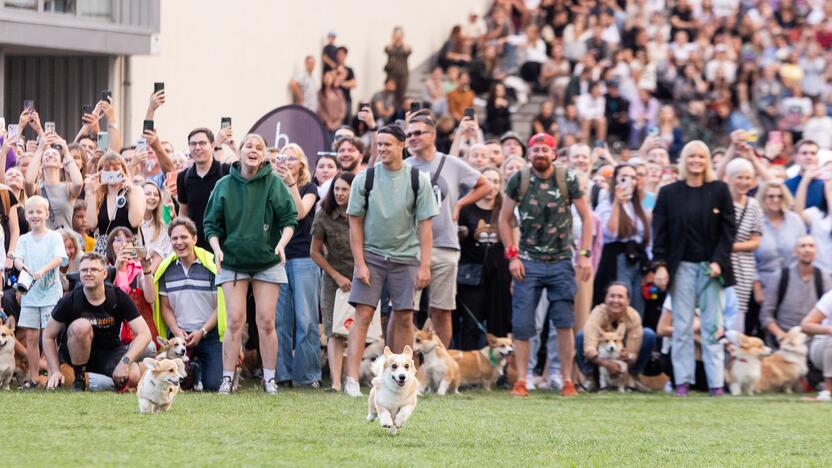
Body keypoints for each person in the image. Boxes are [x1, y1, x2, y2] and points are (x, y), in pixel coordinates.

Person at [343, 125, 438, 397]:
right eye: (378, 144)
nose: (382, 149)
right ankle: (351, 379)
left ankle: (403, 378)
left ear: (402, 145)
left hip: (406, 257)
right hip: (372, 255)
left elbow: (426, 226)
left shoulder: (418, 179)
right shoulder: (366, 179)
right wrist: (360, 262)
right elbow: (355, 223)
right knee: (362, 314)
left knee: (405, 315)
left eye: (387, 144)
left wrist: (425, 265)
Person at [498, 133, 593, 397]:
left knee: (564, 322)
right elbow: (504, 219)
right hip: (528, 262)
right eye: (535, 150)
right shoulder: (520, 179)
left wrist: (584, 254)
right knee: (522, 324)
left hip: (562, 260)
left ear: (553, 154)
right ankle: (522, 379)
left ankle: (566, 380)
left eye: (545, 150)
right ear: (529, 154)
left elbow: (586, 217)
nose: (540, 154)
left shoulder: (567, 178)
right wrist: (512, 256)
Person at [203, 133, 298, 395]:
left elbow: (290, 219)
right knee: (234, 321)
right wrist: (217, 249)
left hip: (267, 261)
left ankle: (269, 379)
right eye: (249, 146)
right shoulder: (224, 184)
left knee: (266, 321)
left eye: (259, 147)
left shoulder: (274, 183)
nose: (253, 150)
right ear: (240, 151)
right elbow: (211, 224)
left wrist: (281, 244)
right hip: (232, 261)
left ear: (264, 154)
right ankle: (227, 378)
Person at [652, 141, 736, 397]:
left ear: (708, 160)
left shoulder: (720, 190)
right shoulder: (669, 193)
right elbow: (660, 234)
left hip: (711, 269)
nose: (696, 161)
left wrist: (718, 261)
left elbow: (728, 230)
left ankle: (716, 383)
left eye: (701, 156)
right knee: (682, 327)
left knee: (712, 328)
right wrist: (660, 265)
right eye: (692, 156)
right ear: (684, 160)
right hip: (681, 268)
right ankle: (682, 382)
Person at [406, 115, 492, 346]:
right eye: (409, 134)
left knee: (442, 310)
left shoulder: (451, 164)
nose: (412, 138)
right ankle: (409, 369)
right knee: (406, 311)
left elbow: (486, 185)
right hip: (411, 247)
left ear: (432, 135)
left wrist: (460, 203)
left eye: (417, 133)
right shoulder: (404, 166)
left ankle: (441, 368)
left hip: (445, 245)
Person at [43, 253, 151, 391]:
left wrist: (125, 362)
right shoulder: (70, 299)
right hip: (75, 358)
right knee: (81, 326)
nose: (88, 273)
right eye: (84, 270)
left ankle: (101, 382)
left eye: (94, 270)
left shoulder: (117, 297)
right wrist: (55, 370)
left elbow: (145, 333)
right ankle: (79, 379)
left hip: (108, 352)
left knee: (134, 376)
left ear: (105, 273)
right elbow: (48, 335)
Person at [152, 217, 226, 392]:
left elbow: (219, 307)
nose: (179, 242)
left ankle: (198, 367)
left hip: (208, 335)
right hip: (179, 336)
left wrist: (202, 331)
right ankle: (191, 370)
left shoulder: (210, 267)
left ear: (194, 239)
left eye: (184, 237)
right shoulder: (165, 269)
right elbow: (165, 307)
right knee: (171, 385)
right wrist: (176, 331)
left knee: (214, 386)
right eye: (174, 238)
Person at [273, 144, 321, 388]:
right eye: (283, 158)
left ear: (301, 163)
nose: (288, 162)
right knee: (279, 321)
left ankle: (308, 376)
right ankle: (281, 374)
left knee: (306, 320)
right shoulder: (272, 186)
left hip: (303, 257)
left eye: (292, 158)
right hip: (277, 258)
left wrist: (291, 183)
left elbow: (301, 212)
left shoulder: (310, 187)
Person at [13, 195, 68, 388]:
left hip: (50, 295)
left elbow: (59, 259)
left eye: (39, 211)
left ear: (46, 214)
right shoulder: (23, 239)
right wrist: (24, 268)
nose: (35, 215)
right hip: (30, 296)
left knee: (49, 335)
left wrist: (43, 270)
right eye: (31, 212)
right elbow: (17, 259)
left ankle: (54, 374)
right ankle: (34, 377)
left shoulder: (54, 237)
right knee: (31, 336)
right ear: (26, 215)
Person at [454, 166, 511, 349]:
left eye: (496, 181)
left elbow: (513, 245)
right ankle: (468, 370)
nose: (492, 185)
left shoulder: (505, 209)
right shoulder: (466, 208)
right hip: (471, 274)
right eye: (487, 180)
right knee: (470, 324)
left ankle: (496, 373)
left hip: (499, 274)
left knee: (498, 325)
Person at [310, 173, 355, 391]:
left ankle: (352, 379)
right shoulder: (324, 215)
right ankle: (336, 382)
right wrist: (336, 276)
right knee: (334, 331)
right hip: (332, 280)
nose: (340, 193)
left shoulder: (363, 214)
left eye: (345, 189)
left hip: (360, 279)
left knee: (358, 330)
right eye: (336, 189)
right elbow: (315, 252)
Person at [593, 164, 651, 315]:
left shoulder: (637, 207)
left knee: (637, 307)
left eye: (633, 177)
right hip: (617, 259)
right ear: (616, 180)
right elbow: (611, 232)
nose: (630, 181)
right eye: (624, 177)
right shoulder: (606, 204)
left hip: (638, 261)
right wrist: (618, 204)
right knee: (620, 304)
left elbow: (646, 238)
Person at [576, 282, 657, 389]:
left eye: (620, 297)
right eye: (612, 296)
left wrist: (627, 356)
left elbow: (633, 352)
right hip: (601, 357)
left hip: (622, 357)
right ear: (605, 299)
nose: (615, 300)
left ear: (628, 301)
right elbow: (589, 348)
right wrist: (606, 364)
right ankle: (590, 377)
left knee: (648, 334)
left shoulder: (633, 316)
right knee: (581, 335)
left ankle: (633, 376)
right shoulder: (597, 313)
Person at [761, 236, 831, 345]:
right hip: (784, 340)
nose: (807, 249)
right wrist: (781, 335)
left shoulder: (824, 278)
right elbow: (766, 315)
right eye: (802, 246)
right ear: (795, 252)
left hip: (814, 342)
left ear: (816, 252)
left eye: (811, 246)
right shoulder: (780, 276)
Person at [176, 127, 232, 250]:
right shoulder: (183, 177)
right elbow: (183, 212)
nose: (197, 147)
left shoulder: (227, 172)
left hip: (225, 247)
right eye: (193, 144)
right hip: (196, 248)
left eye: (202, 143)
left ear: (212, 146)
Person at [725, 158, 763, 332]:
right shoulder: (721, 201)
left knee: (738, 313)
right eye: (739, 177)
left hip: (743, 267)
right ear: (730, 178)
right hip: (721, 264)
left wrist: (730, 247)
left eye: (748, 178)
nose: (744, 182)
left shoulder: (753, 205)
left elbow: (756, 241)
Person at [24, 133, 83, 231]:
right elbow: (29, 181)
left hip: (64, 241)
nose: (50, 155)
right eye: (47, 155)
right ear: (41, 164)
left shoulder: (68, 188)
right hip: (42, 241)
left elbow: (78, 183)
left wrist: (66, 152)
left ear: (61, 164)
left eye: (54, 154)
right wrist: (40, 150)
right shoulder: (37, 189)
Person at [85, 152, 146, 238]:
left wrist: (130, 191)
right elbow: (91, 224)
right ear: (100, 173)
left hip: (128, 244)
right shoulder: (97, 195)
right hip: (104, 247)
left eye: (116, 169)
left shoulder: (136, 191)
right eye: (107, 170)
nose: (112, 172)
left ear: (123, 170)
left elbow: (135, 222)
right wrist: (92, 193)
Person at [794, 165, 832, 274]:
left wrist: (829, 194)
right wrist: (805, 180)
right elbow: (797, 214)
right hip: (819, 272)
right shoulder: (815, 213)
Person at [801, 290, 832, 401]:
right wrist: (829, 329)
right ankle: (827, 391)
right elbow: (805, 325)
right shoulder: (830, 296)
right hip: (823, 346)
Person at [139, 182, 171, 272]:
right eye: (148, 194)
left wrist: (147, 277)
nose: (152, 197)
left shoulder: (161, 225)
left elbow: (160, 255)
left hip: (153, 275)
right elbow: (131, 252)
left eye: (156, 195)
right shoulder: (132, 222)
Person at [785, 140, 824, 209]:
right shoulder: (787, 185)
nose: (808, 157)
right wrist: (806, 179)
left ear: (818, 158)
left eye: (813, 153)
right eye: (804, 153)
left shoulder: (826, 183)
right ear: (795, 158)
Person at [384, 27, 412, 107]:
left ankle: (399, 112)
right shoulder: (390, 47)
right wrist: (393, 40)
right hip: (391, 75)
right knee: (390, 95)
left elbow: (408, 50)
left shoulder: (405, 47)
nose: (398, 38)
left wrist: (402, 41)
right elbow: (388, 49)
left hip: (402, 75)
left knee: (401, 95)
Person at [317, 70, 347, 136]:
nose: (328, 79)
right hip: (326, 124)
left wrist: (338, 120)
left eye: (329, 77)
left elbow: (343, 106)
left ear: (333, 79)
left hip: (338, 123)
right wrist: (327, 121)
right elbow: (320, 109)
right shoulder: (320, 93)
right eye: (326, 77)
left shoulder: (338, 92)